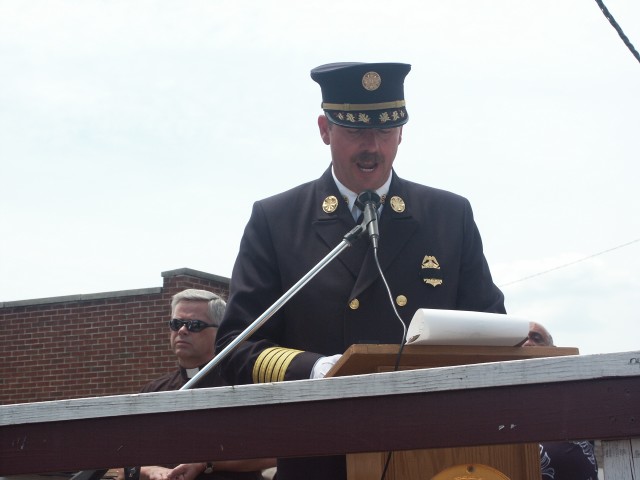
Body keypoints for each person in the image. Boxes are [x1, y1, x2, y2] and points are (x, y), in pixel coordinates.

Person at [215, 62, 506, 480]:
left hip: (433, 454)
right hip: (321, 454)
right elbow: (236, 348)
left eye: (386, 132)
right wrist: (318, 370)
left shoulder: (448, 215)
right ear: (324, 130)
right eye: (355, 132)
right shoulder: (276, 220)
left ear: (402, 133)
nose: (373, 146)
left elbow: (489, 327)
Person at [130, 289, 275, 480]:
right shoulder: (153, 391)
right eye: (176, 324)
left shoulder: (243, 385)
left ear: (220, 331)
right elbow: (124, 457)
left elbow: (274, 453)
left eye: (194, 325)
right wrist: (151, 471)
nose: (182, 330)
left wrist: (207, 464)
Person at [524, 322, 599, 480]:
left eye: (536, 338)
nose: (528, 343)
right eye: (521, 340)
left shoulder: (576, 397)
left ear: (553, 351)